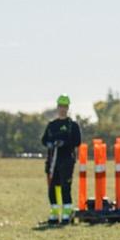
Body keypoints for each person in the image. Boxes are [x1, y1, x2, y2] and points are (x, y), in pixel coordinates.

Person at [40, 95, 81, 225]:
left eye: (65, 107)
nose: (62, 109)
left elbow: (77, 141)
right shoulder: (52, 125)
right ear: (57, 107)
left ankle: (67, 213)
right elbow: (44, 140)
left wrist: (64, 143)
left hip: (67, 160)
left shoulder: (72, 125)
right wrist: (50, 144)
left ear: (67, 108)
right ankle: (54, 213)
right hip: (53, 161)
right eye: (60, 106)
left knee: (65, 186)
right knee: (52, 188)